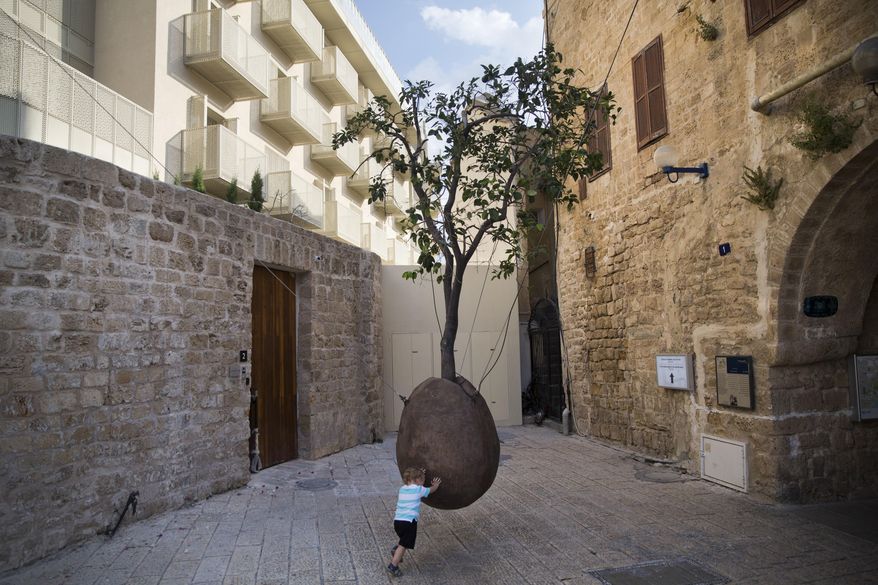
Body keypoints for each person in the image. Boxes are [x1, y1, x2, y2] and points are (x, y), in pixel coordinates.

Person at [387, 467, 441, 577]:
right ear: (417, 480)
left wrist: (420, 474)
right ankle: (393, 565)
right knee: (404, 544)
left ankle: (396, 549)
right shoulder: (419, 490)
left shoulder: (402, 489)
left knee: (404, 540)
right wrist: (436, 485)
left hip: (398, 521)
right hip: (409, 522)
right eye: (423, 480)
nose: (424, 482)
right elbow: (430, 490)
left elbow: (415, 481)